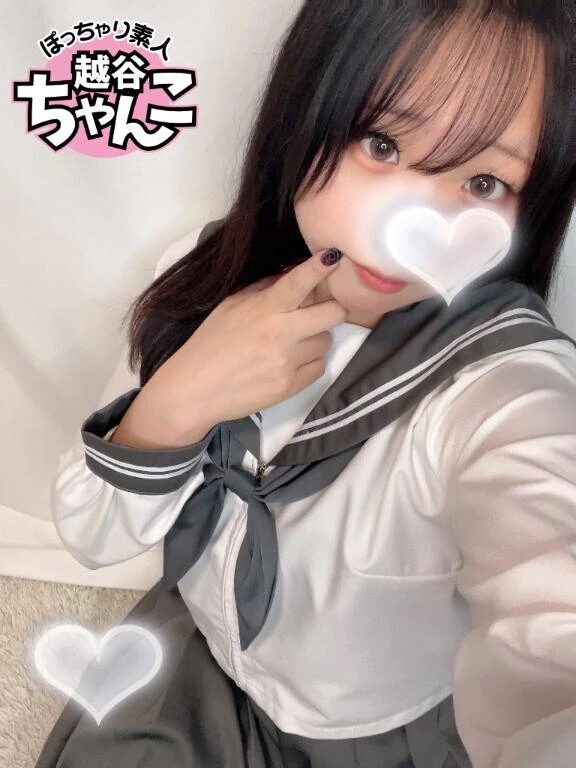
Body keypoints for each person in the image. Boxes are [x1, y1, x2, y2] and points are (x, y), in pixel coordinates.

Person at [36, 2, 576, 767]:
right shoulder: (202, 277)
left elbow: (552, 607)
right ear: (309, 109)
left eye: (483, 181)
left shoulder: (500, 387)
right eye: (382, 143)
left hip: (388, 733)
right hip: (206, 661)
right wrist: (178, 401)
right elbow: (92, 535)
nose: (409, 226)